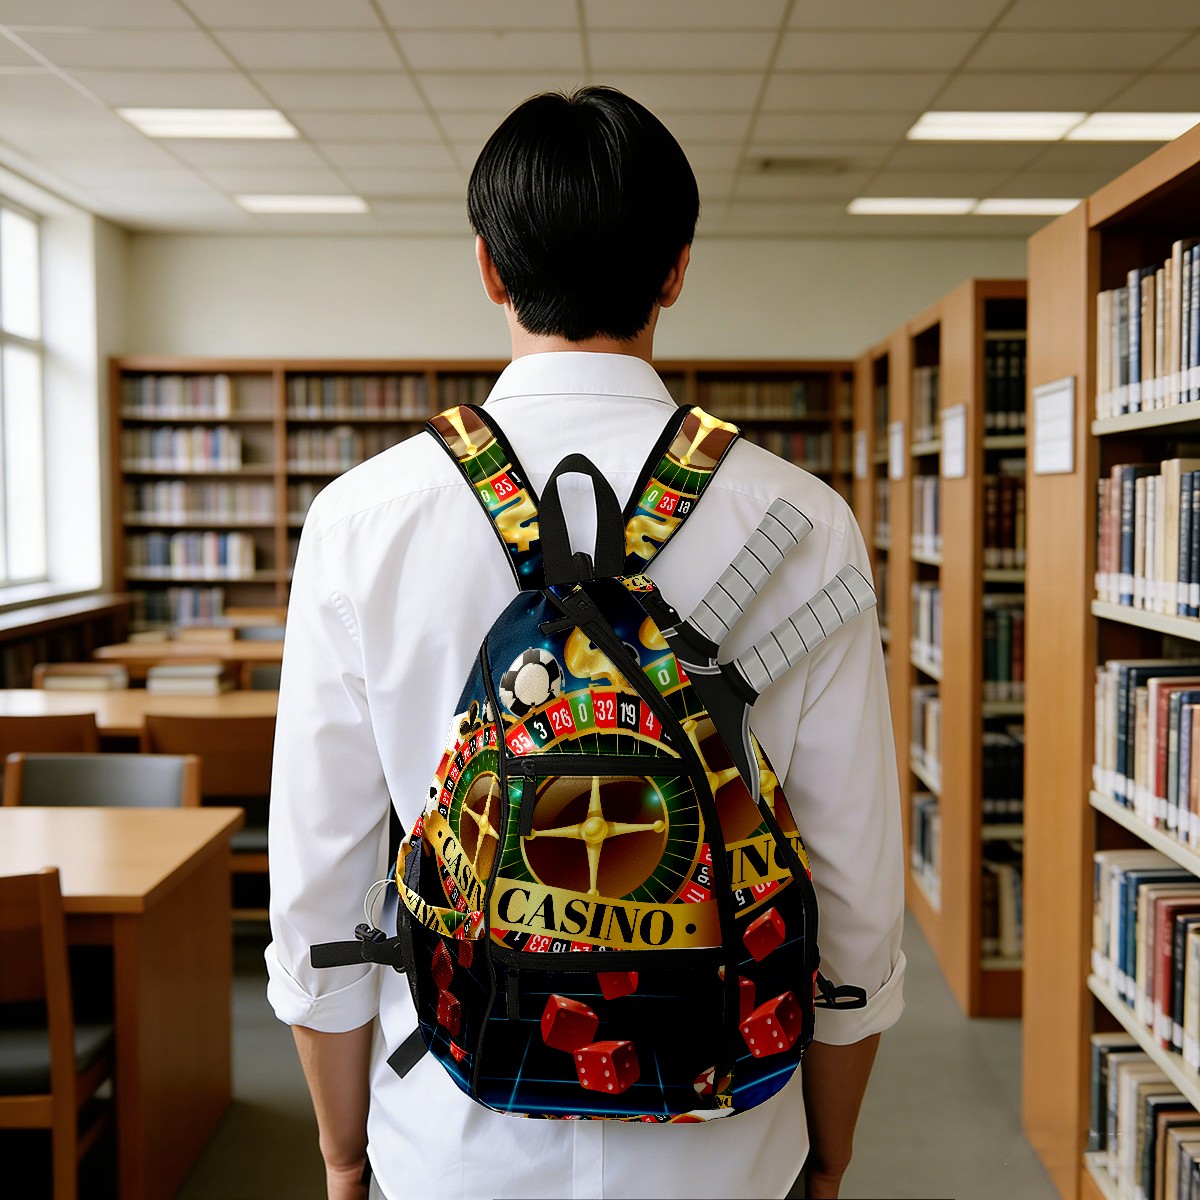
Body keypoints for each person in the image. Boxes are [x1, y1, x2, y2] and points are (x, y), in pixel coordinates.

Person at [266, 85, 905, 1200]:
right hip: (727, 1138)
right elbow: (854, 885)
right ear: (677, 270)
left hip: (453, 1132)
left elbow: (320, 888)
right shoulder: (803, 521)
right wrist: (829, 1151)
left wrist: (342, 1152)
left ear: (488, 268)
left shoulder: (362, 518)